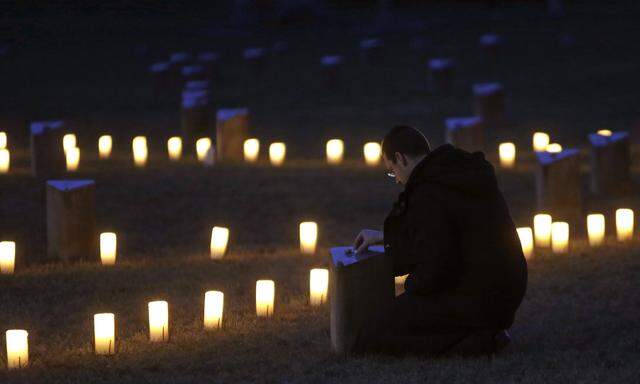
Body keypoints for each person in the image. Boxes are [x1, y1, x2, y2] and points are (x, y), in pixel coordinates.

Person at [352, 125, 527, 357]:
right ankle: (483, 332)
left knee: (373, 336)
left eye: (392, 171)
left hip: (475, 296)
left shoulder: (429, 193)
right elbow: (447, 233)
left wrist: (409, 290)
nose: (396, 180)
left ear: (400, 158)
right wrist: (385, 237)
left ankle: (481, 340)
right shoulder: (457, 174)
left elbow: (437, 268)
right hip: (506, 290)